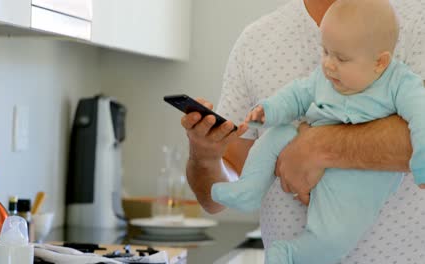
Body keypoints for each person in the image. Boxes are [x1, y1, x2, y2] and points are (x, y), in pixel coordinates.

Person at [180, 0, 425, 263]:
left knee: (331, 237)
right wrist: (205, 156)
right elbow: (294, 96)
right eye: (326, 53)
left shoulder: (417, 20)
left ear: (380, 62)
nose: (329, 66)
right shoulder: (255, 42)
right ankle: (249, 192)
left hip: (379, 240)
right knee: (276, 135)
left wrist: (318, 147)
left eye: (340, 58)